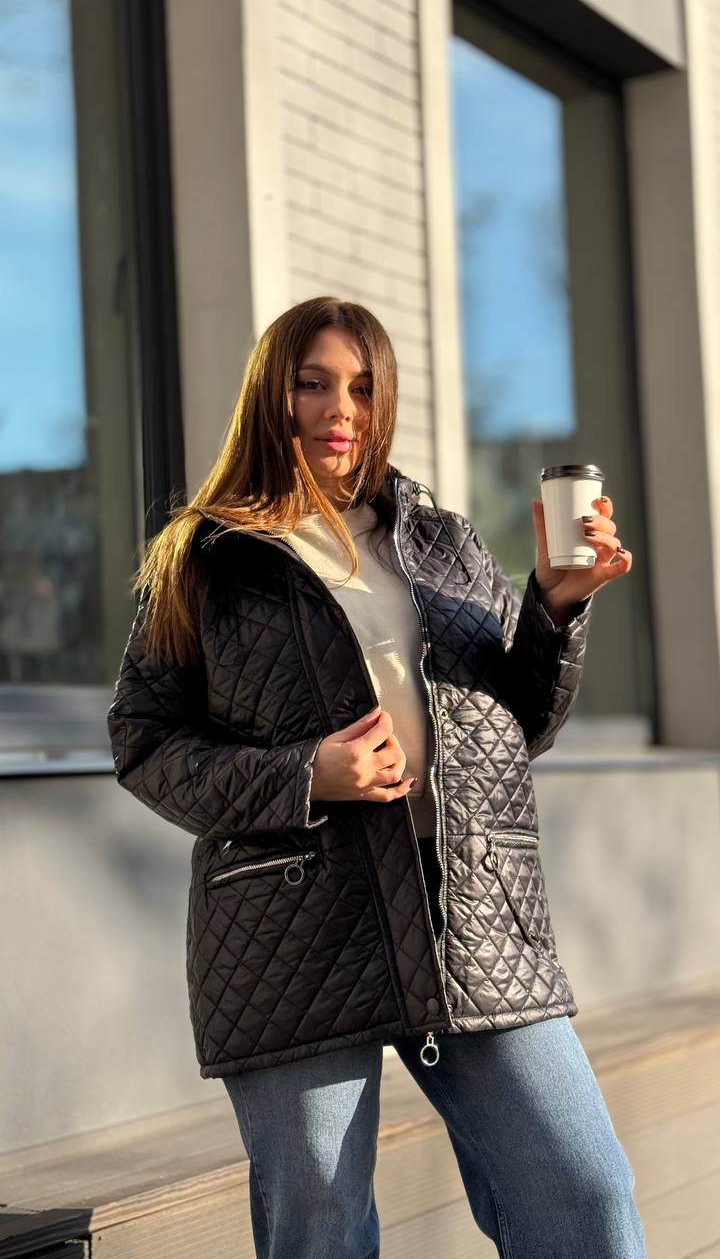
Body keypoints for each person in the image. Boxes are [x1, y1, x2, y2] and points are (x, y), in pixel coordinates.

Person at [107, 296, 646, 1258]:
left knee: (585, 1192)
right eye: (312, 383)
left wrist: (555, 608)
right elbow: (144, 745)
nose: (339, 410)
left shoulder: (443, 541)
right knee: (320, 1230)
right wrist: (304, 774)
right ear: (271, 395)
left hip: (467, 916)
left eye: (361, 388)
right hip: (293, 928)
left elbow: (518, 723)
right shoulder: (207, 558)